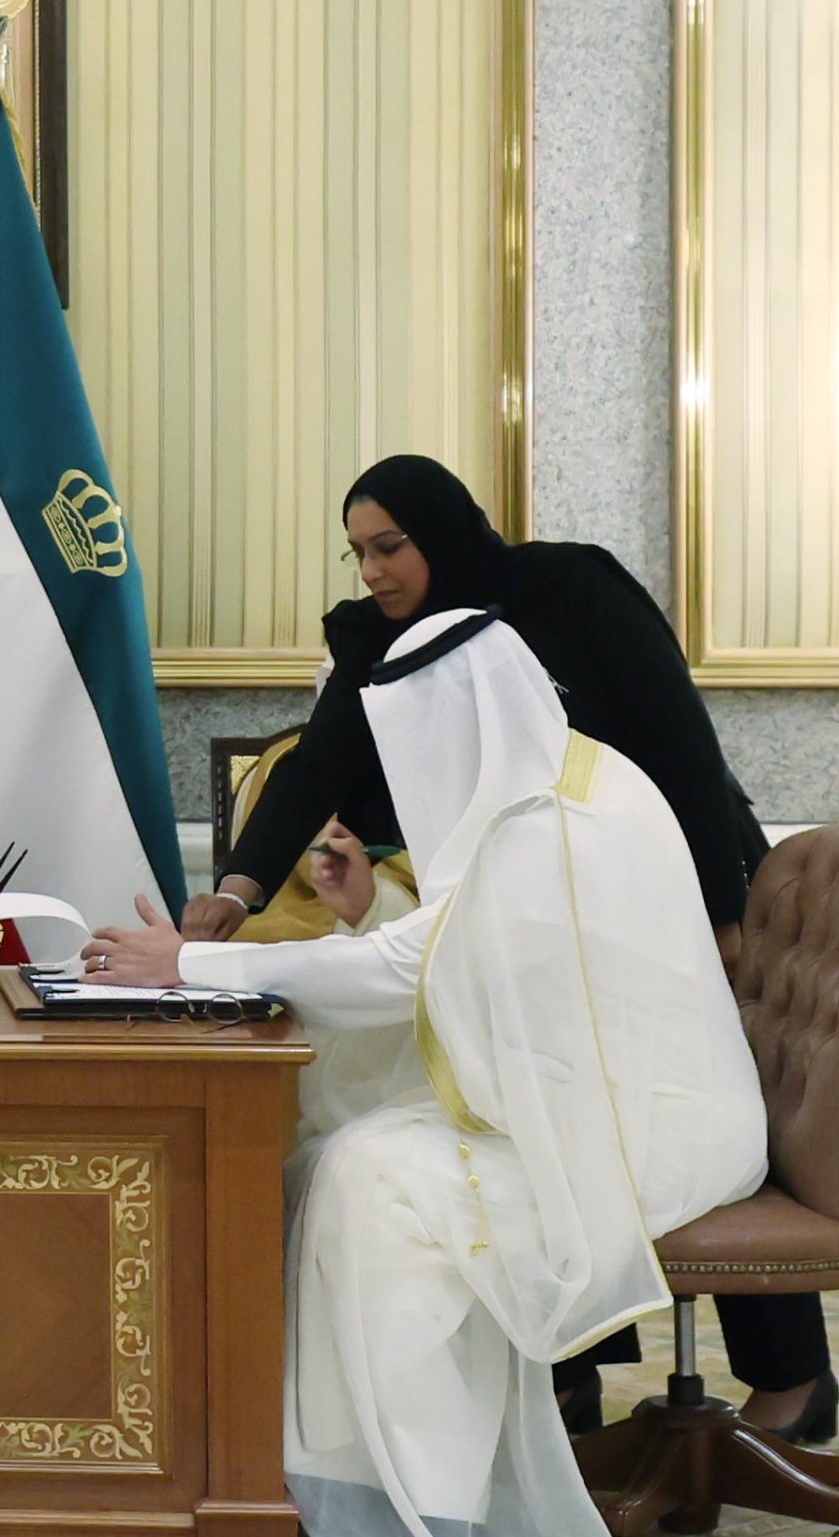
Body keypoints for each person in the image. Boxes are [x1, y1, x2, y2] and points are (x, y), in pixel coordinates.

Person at [85, 611, 769, 1537]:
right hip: (575, 1091)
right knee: (330, 1151)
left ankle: (428, 1507)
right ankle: (342, 1480)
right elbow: (468, 956)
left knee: (378, 1183)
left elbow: (420, 970)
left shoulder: (558, 823)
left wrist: (185, 961)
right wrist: (372, 907)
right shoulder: (553, 782)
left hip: (648, 1126)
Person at [179, 454, 828, 1438]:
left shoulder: (570, 588)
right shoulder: (378, 640)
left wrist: (723, 914)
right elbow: (316, 771)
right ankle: (563, 1379)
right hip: (528, 893)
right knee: (537, 1090)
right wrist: (236, 893)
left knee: (673, 1093)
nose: (373, 573)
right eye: (357, 553)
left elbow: (679, 741)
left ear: (442, 529)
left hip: (663, 871)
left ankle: (790, 1377)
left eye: (389, 546)